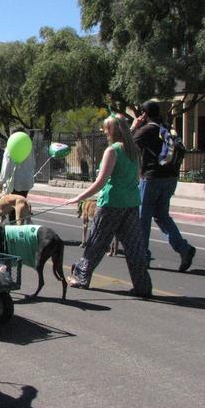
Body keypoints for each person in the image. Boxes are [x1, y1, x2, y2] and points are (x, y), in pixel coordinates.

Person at [65, 114, 152, 297]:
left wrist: (78, 198)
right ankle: (143, 286)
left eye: (107, 128)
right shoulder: (134, 150)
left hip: (111, 204)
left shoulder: (112, 151)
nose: (104, 132)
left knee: (96, 242)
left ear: (114, 130)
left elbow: (100, 182)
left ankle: (81, 277)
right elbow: (137, 176)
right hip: (131, 202)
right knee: (134, 247)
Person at [131, 100, 196, 271]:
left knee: (142, 219)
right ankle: (184, 249)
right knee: (161, 215)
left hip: (151, 179)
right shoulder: (167, 127)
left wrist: (133, 126)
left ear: (144, 114)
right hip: (170, 177)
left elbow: (126, 144)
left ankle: (143, 256)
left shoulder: (147, 129)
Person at [0, 127, 36, 224]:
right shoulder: (29, 148)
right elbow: (33, 164)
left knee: (12, 208)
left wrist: (1, 181)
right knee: (22, 205)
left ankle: (14, 231)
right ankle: (21, 227)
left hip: (14, 183)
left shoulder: (9, 148)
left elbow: (6, 166)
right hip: (26, 183)